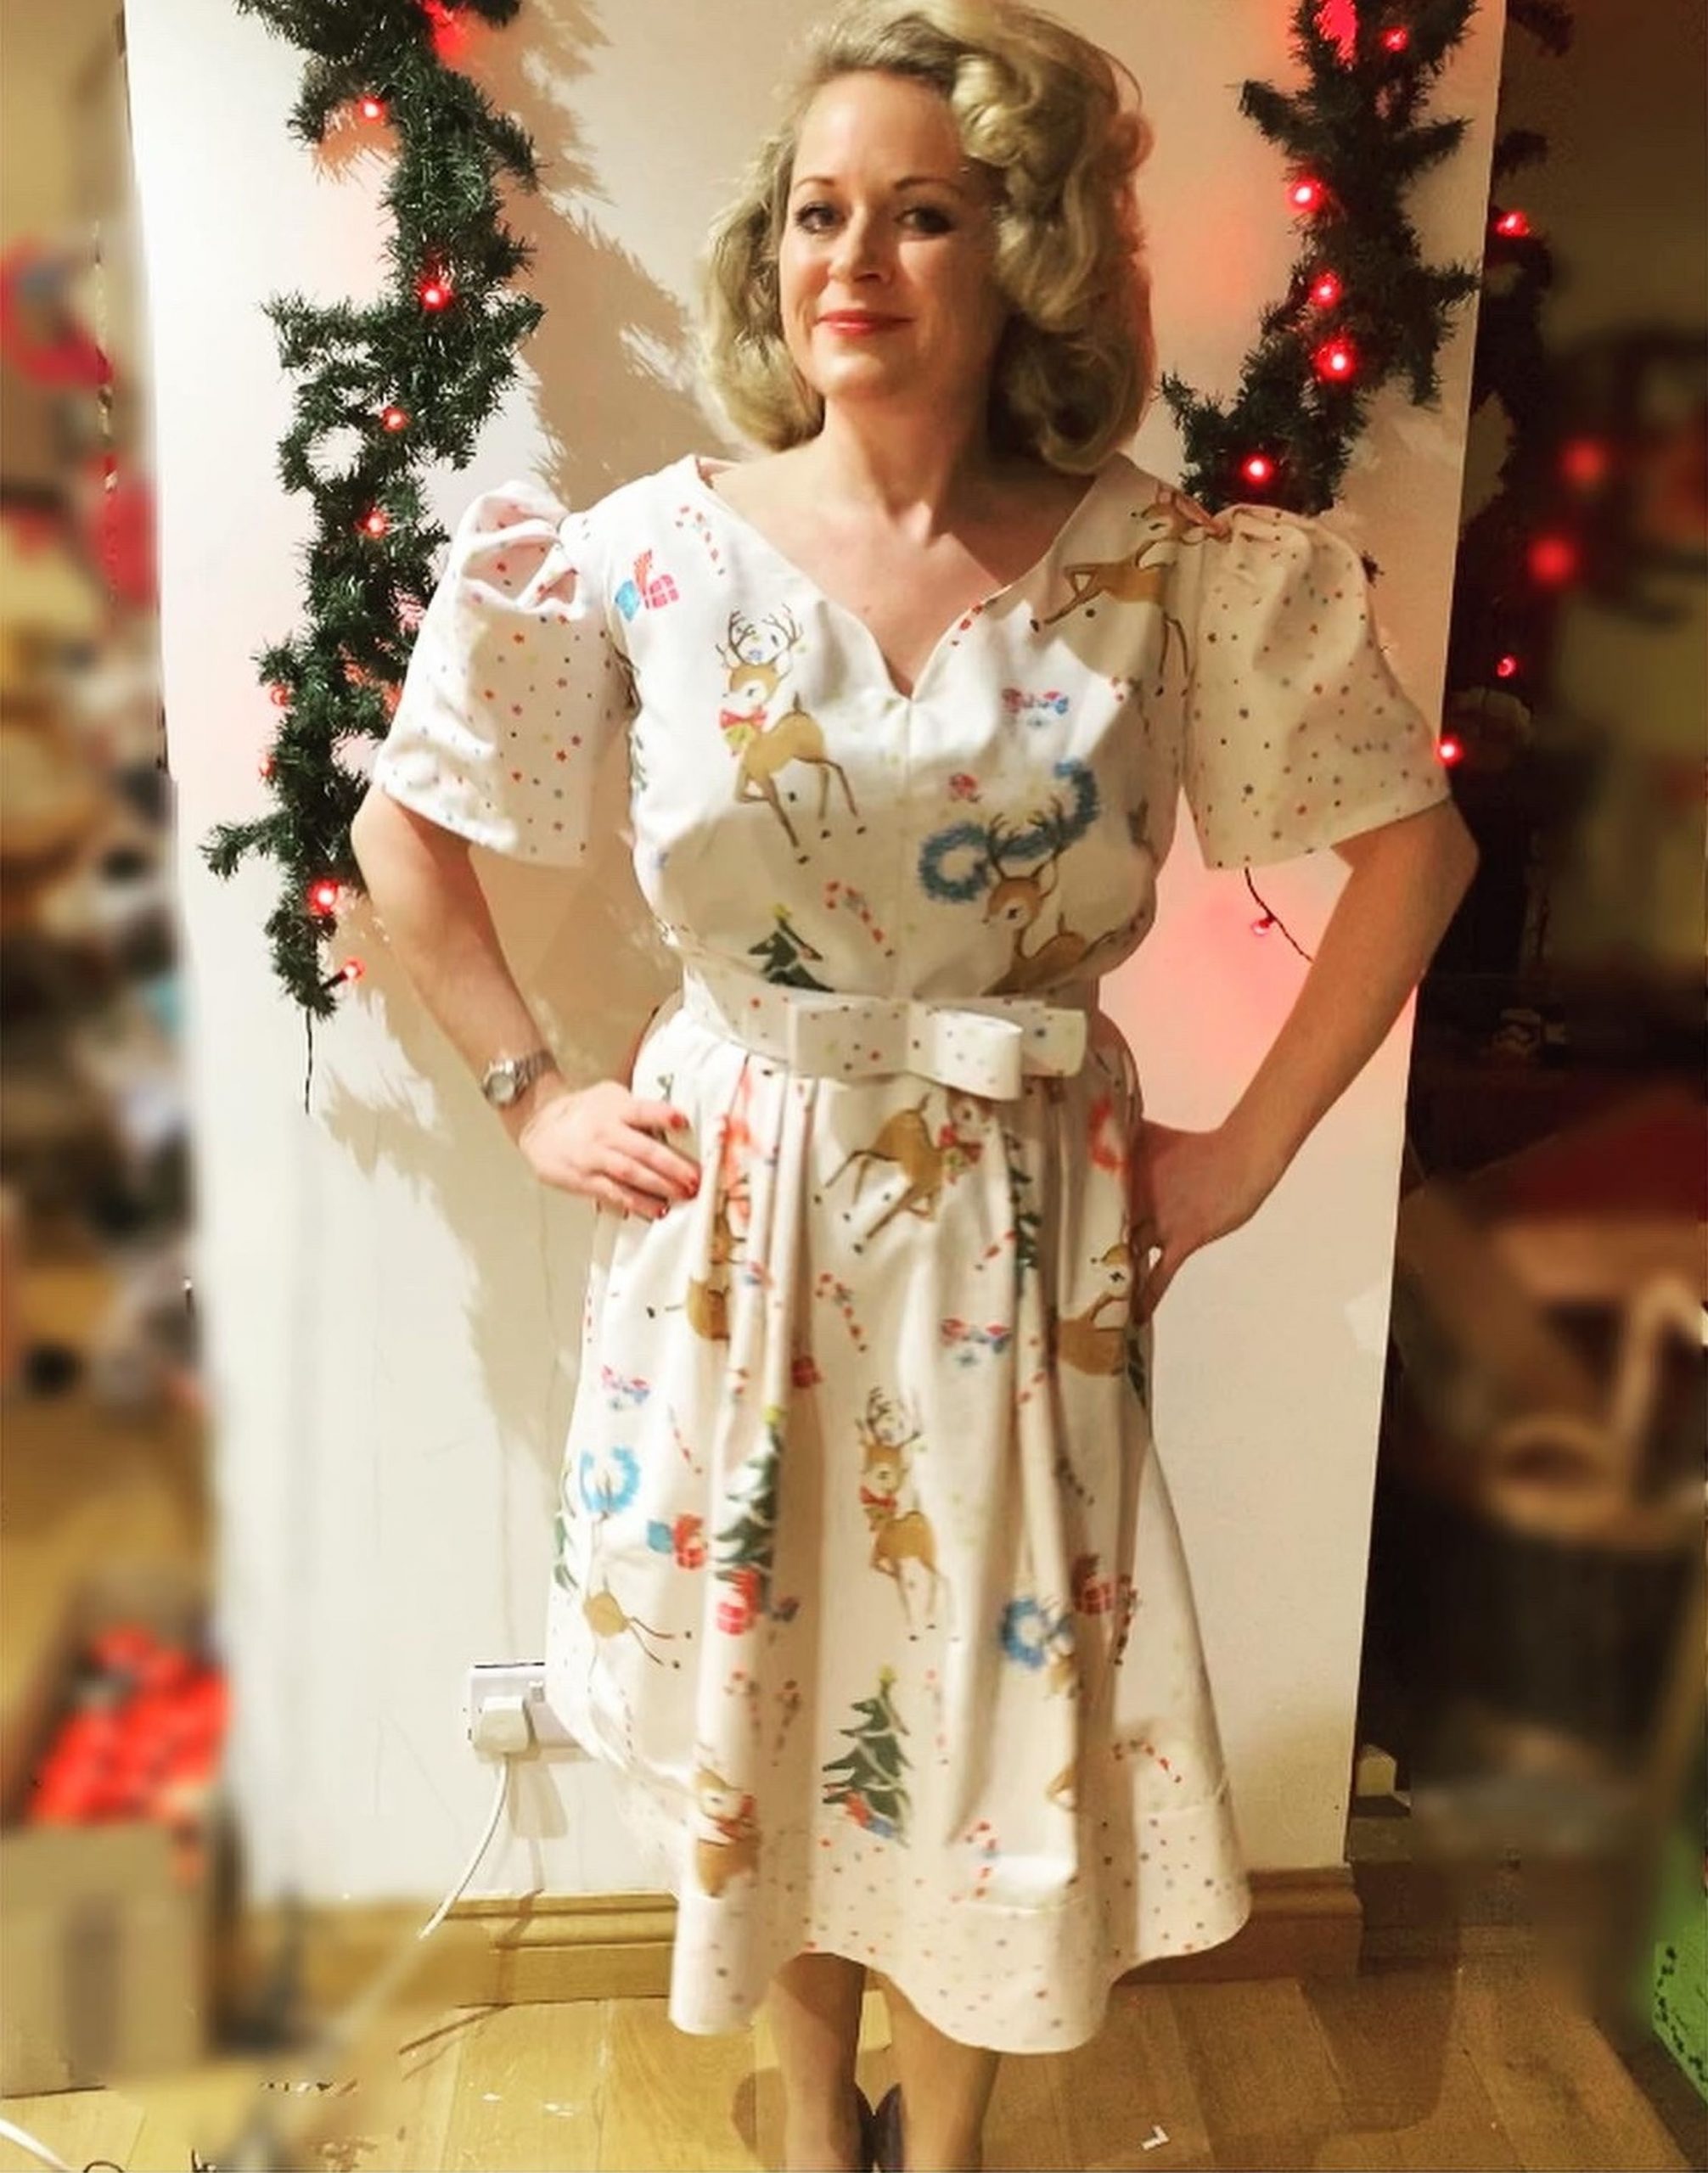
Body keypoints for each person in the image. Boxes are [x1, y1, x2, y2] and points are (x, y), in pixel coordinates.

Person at [350, 2, 1479, 2165]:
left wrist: (1242, 1157)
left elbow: (1412, 856)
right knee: (761, 1688)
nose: (849, 261)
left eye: (923, 215)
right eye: (815, 212)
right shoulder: (642, 557)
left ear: (1028, 252)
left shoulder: (1169, 573)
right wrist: (526, 1088)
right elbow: (409, 833)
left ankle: (933, 2144)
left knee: (989, 1711)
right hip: (729, 1218)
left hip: (1013, 1232)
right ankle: (809, 2118)